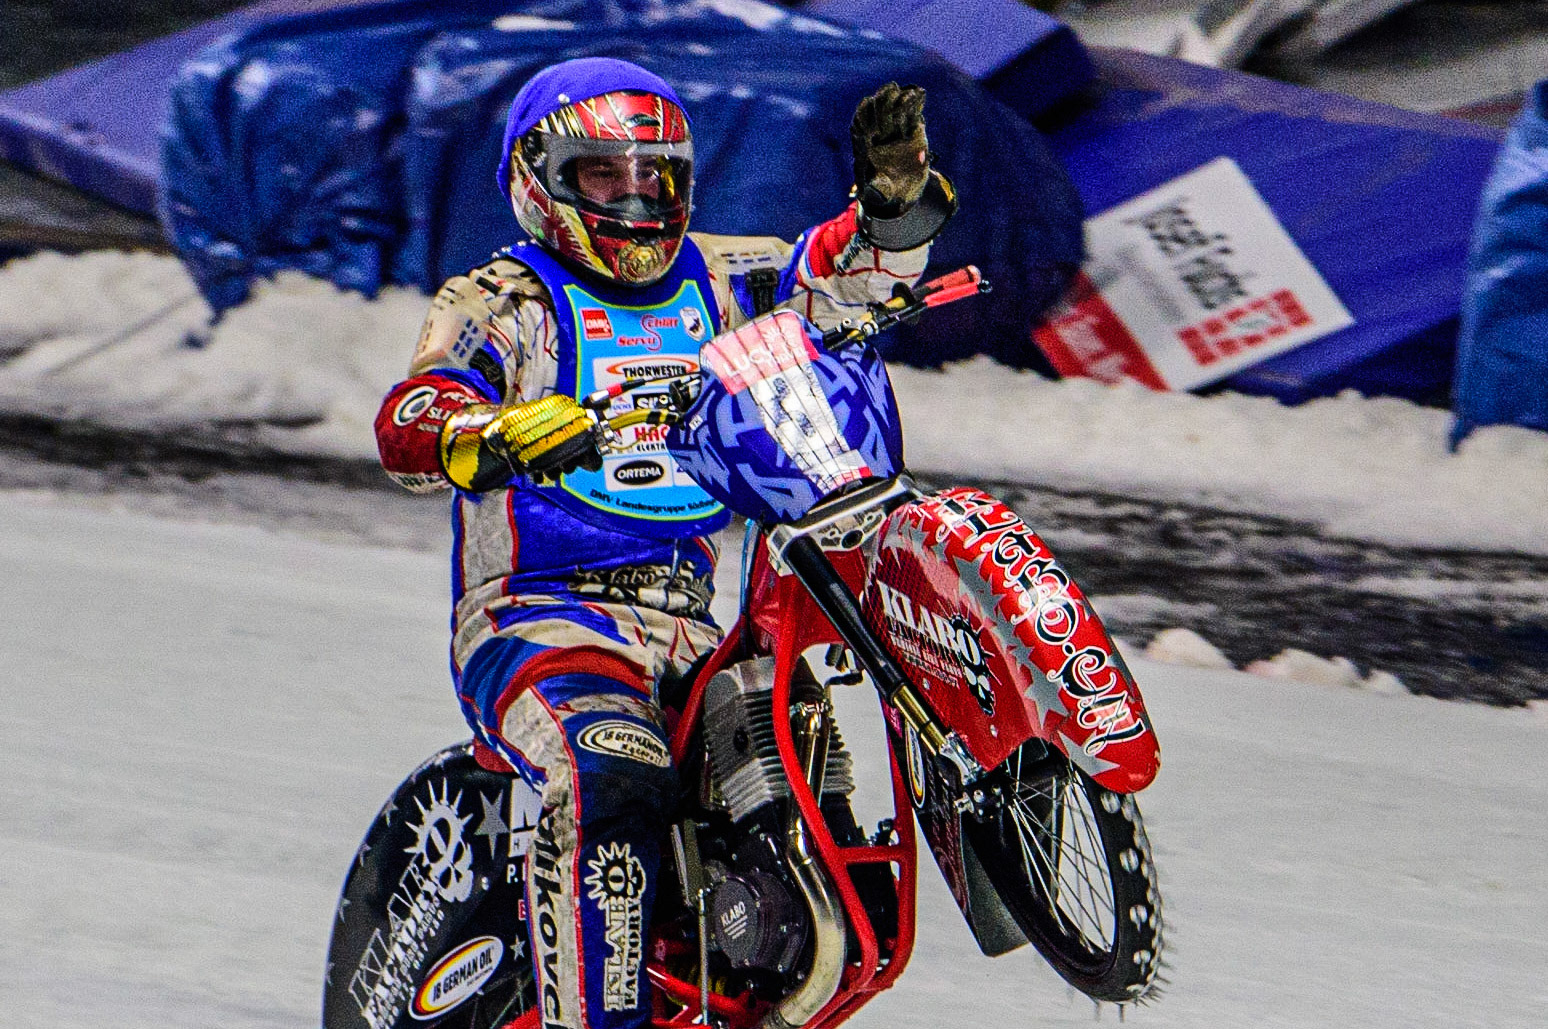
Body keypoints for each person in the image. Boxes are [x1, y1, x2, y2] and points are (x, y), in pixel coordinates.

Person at [373, 57, 954, 1029]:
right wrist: (484, 434)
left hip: (692, 622)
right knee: (613, 771)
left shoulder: (728, 277)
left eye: (657, 177)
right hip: (539, 621)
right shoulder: (500, 303)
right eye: (606, 176)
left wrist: (892, 210)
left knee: (803, 772)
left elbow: (833, 291)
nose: (637, 198)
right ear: (541, 180)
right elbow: (414, 413)